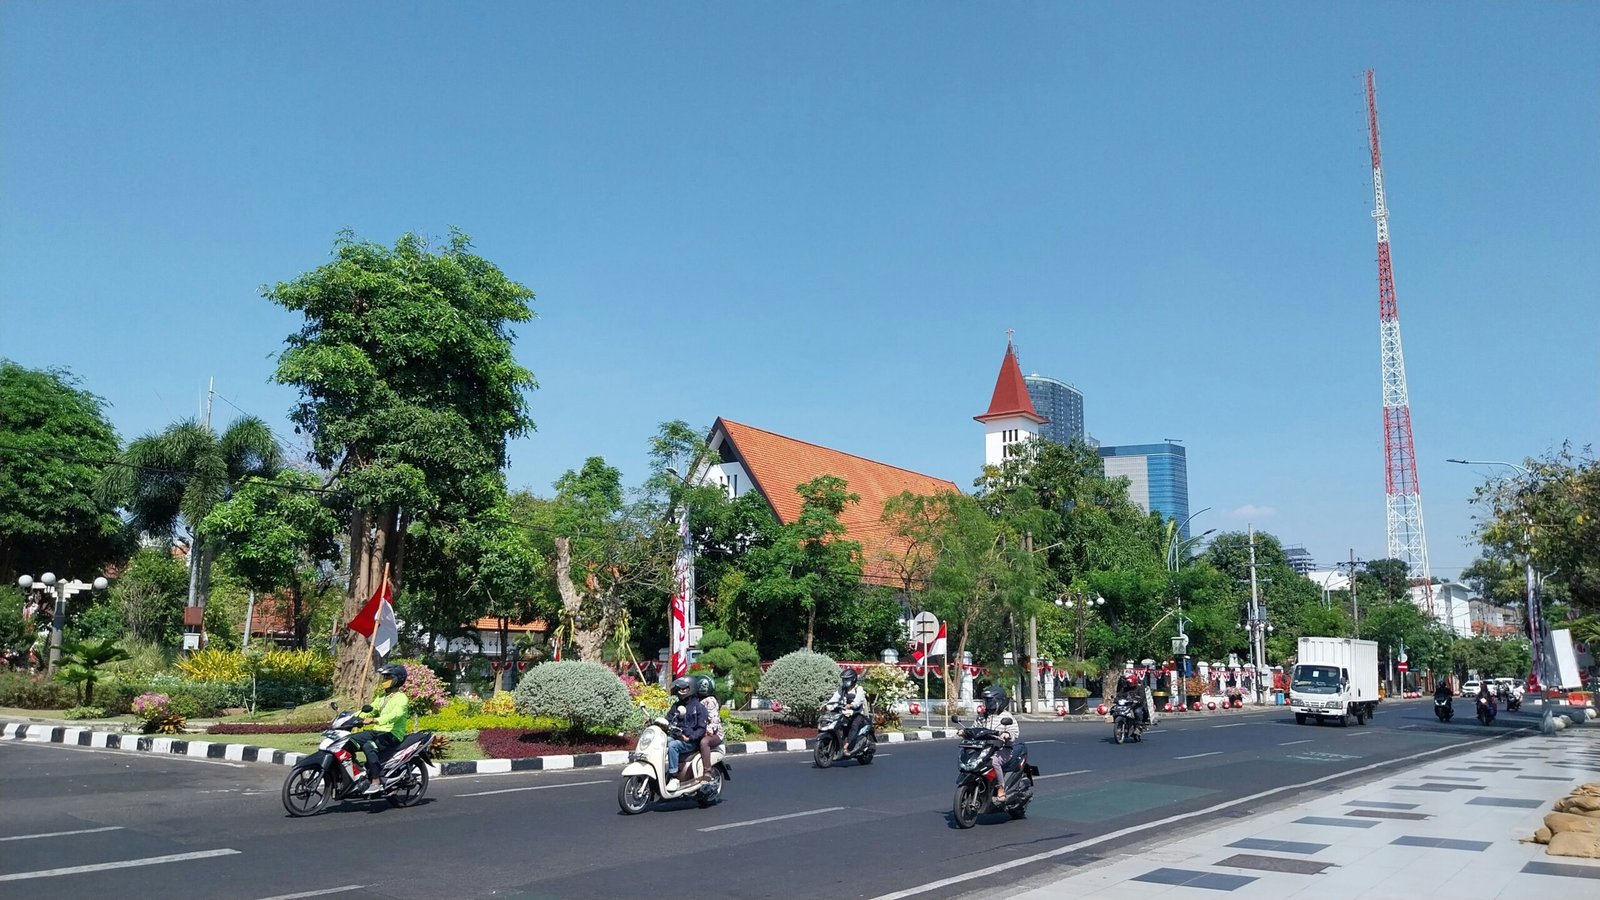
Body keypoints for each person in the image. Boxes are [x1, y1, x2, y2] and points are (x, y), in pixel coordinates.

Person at [349, 663, 410, 795]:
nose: (384, 680)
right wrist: (351, 717)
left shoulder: (401, 698)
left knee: (368, 746)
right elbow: (371, 710)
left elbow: (395, 715)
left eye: (388, 677)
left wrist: (376, 720)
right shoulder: (382, 697)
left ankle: (376, 781)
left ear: (397, 679)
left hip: (392, 734)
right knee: (348, 741)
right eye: (384, 677)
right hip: (378, 731)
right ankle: (358, 772)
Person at [976, 685, 1021, 802]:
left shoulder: (1006, 716)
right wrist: (964, 732)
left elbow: (1014, 732)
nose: (987, 703)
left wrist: (1007, 734)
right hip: (985, 748)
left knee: (995, 761)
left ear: (999, 702)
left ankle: (1001, 788)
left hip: (1003, 749)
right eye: (986, 701)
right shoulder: (982, 717)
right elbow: (974, 729)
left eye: (990, 701)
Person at [665, 676, 708, 791]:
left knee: (672, 745)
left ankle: (674, 777)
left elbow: (701, 729)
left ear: (692, 688)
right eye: (680, 688)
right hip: (677, 737)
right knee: (664, 741)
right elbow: (668, 719)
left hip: (690, 742)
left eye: (684, 688)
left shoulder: (699, 707)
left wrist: (689, 737)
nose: (681, 690)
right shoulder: (676, 706)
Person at [822, 668, 870, 753]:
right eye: (844, 679)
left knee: (854, 725)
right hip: (844, 713)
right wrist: (826, 706)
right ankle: (838, 742)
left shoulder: (859, 689)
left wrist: (851, 705)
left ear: (853, 679)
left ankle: (847, 746)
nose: (845, 681)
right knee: (836, 723)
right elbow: (835, 698)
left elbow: (858, 701)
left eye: (847, 679)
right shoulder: (842, 689)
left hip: (857, 713)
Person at [694, 674, 723, 775]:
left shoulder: (710, 700)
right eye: (701, 685)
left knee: (704, 742)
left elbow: (715, 718)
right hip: (699, 731)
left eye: (705, 685)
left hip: (714, 734)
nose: (703, 688)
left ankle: (707, 771)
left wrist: (709, 730)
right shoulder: (695, 700)